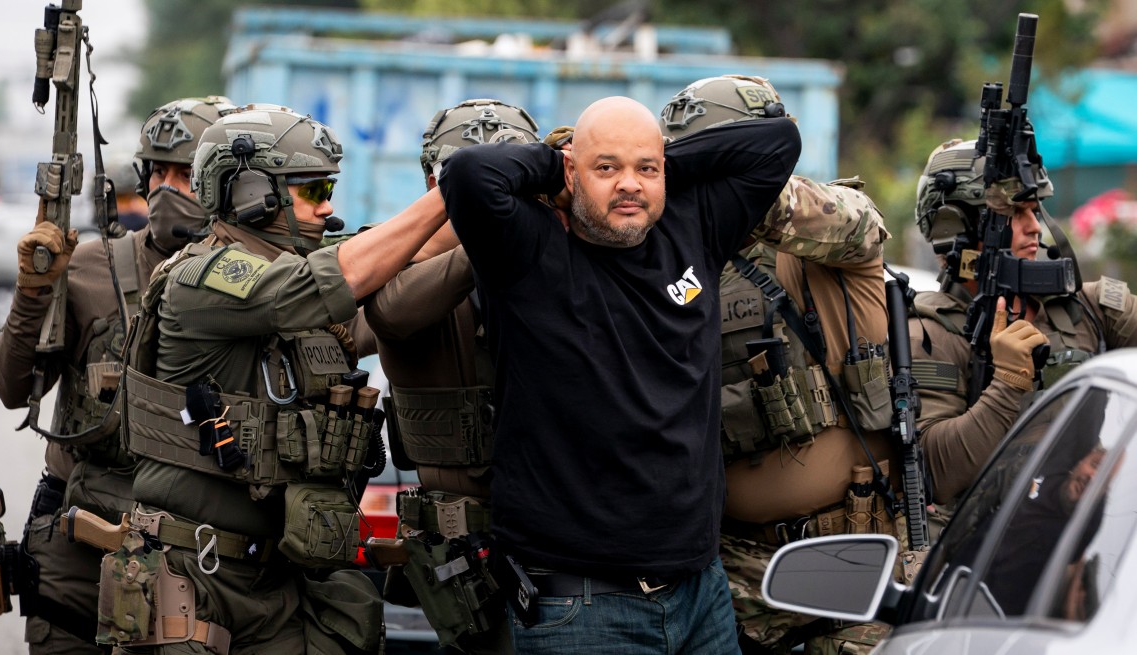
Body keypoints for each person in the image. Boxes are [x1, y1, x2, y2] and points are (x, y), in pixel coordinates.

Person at [438, 95, 800, 654]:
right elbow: (467, 172)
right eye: (606, 168)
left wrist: (654, 163)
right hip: (582, 604)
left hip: (701, 591)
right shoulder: (525, 249)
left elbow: (778, 141)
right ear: (570, 172)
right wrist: (562, 163)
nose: (628, 185)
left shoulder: (694, 227)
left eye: (645, 170)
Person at [115, 103, 448, 655]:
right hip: (198, 579)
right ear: (249, 191)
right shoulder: (205, 275)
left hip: (282, 577)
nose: (329, 205)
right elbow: (328, 279)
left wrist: (499, 197)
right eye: (314, 190)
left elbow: (408, 253)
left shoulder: (294, 270)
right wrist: (448, 195)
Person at [661, 75, 899, 655]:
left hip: (864, 561)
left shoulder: (829, 229)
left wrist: (725, 182)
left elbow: (855, 223)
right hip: (737, 580)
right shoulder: (676, 261)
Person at [0, 96, 237, 655]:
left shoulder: (254, 283)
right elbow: (11, 388)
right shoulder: (90, 268)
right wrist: (33, 291)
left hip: (194, 549)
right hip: (81, 540)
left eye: (188, 175)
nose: (169, 188)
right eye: (159, 171)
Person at [362, 98, 539, 654]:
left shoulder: (555, 247)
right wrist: (478, 239)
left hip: (560, 533)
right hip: (464, 549)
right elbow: (377, 316)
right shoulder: (390, 254)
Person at [909, 138, 1137, 505]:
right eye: (1016, 214)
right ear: (956, 227)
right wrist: (1007, 384)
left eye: (1035, 211)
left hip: (1082, 534)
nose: (1034, 227)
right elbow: (935, 470)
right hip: (986, 547)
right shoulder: (929, 334)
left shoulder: (1089, 308)